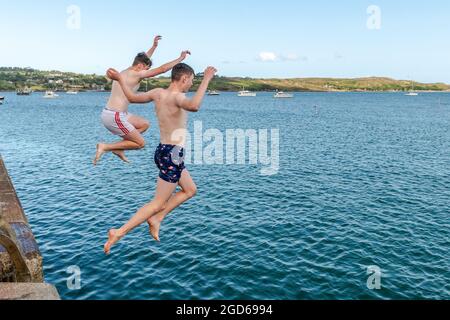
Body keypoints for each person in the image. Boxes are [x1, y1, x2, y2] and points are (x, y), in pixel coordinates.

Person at [103, 63, 217, 254]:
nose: (191, 85)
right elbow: (195, 105)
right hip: (172, 154)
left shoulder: (157, 93)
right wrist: (206, 79)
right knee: (157, 203)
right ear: (184, 79)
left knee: (190, 189)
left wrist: (121, 80)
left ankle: (157, 218)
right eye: (191, 81)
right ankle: (119, 232)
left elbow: (131, 97)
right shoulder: (178, 97)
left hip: (165, 151)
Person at [93, 35, 191, 165]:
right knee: (140, 143)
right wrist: (180, 58)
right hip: (114, 115)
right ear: (140, 66)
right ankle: (105, 147)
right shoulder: (137, 73)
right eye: (146, 68)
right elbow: (161, 69)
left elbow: (143, 58)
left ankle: (119, 148)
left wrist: (154, 46)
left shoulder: (127, 70)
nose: (147, 72)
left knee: (144, 124)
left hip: (117, 114)